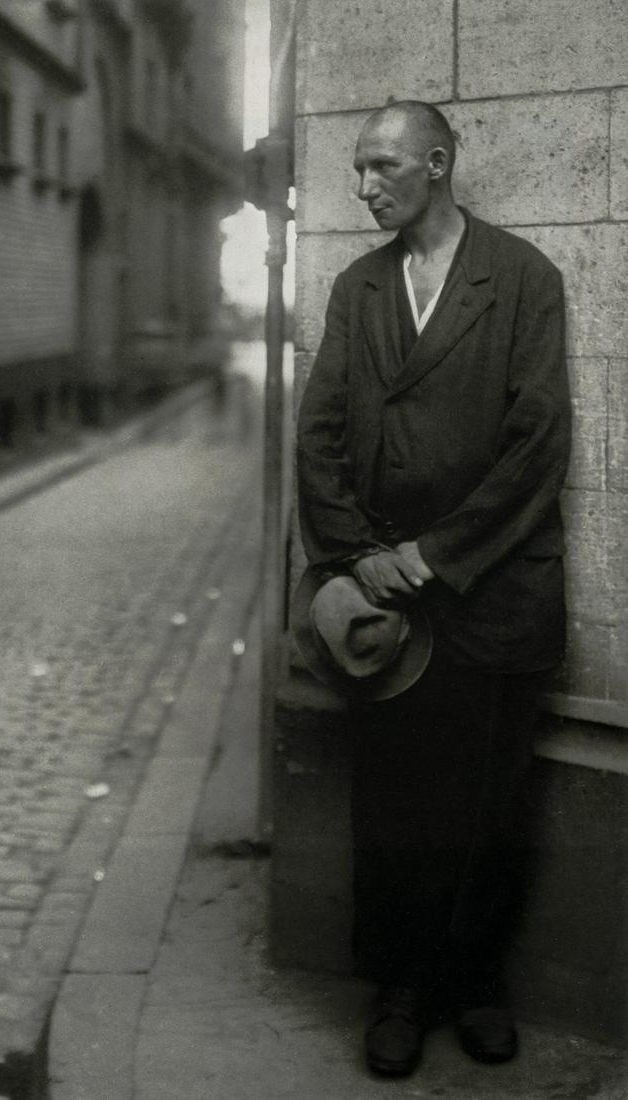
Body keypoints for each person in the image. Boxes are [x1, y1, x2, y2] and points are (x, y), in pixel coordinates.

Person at [296, 100, 571, 1078]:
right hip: (390, 605)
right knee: (396, 803)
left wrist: (439, 553)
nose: (363, 186)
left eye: (380, 167)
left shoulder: (524, 279)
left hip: (491, 593)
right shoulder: (356, 288)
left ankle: (478, 983)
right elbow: (318, 434)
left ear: (438, 164)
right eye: (357, 170)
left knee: (494, 806)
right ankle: (400, 989)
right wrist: (360, 552)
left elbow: (539, 442)